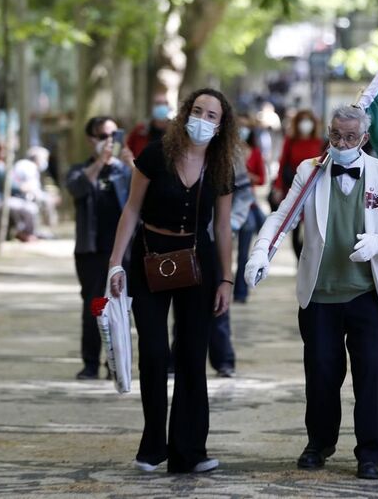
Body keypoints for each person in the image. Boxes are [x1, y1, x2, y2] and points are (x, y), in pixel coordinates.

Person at [244, 104, 378, 481]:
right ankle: (318, 443)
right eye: (336, 135)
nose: (342, 142)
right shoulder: (311, 171)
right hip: (320, 293)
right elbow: (281, 216)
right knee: (320, 374)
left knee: (370, 375)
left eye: (350, 137)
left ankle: (370, 453)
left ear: (364, 139)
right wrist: (260, 251)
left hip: (368, 293)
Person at [107, 88, 236, 474]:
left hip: (200, 263)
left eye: (211, 115)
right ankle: (152, 446)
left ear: (221, 125)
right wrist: (115, 264)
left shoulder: (221, 167)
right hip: (150, 258)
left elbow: (225, 227)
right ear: (185, 114)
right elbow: (130, 210)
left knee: (193, 356)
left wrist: (226, 279)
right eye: (197, 111)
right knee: (154, 352)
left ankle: (189, 451)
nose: (203, 119)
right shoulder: (155, 154)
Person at [65, 117, 133, 380]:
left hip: (120, 252)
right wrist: (98, 163)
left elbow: (142, 198)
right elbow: (77, 189)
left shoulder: (124, 171)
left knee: (119, 308)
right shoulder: (80, 170)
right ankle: (91, 363)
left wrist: (132, 165)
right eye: (103, 135)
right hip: (91, 252)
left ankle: (115, 365)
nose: (109, 141)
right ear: (90, 139)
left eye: (114, 135)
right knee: (94, 305)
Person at [270, 109, 324, 259]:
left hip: (314, 191)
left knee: (311, 228)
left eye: (308, 120)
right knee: (293, 228)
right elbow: (282, 164)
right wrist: (278, 188)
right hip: (294, 189)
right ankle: (300, 260)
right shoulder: (291, 140)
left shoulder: (319, 142)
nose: (305, 124)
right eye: (302, 120)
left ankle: (309, 259)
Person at [232, 117, 267, 303]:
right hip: (226, 205)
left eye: (245, 127)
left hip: (248, 206)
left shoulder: (255, 152)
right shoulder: (226, 151)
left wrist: (248, 177)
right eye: (239, 127)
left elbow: (262, 179)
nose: (242, 131)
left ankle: (240, 292)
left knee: (244, 253)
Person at [0, 145, 39, 242]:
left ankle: (22, 231)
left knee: (21, 205)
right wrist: (24, 187)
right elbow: (12, 186)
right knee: (29, 208)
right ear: (0, 153)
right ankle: (25, 233)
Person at [14, 145, 59, 234]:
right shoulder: (30, 167)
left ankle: (41, 230)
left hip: (21, 195)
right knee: (48, 201)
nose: (45, 162)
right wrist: (48, 198)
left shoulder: (24, 164)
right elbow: (32, 189)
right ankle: (45, 231)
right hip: (21, 196)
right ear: (37, 158)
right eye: (44, 159)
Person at [126, 89, 172, 157]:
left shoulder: (175, 130)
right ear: (152, 107)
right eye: (158, 103)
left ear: (169, 107)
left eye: (164, 104)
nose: (161, 107)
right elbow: (127, 149)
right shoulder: (140, 130)